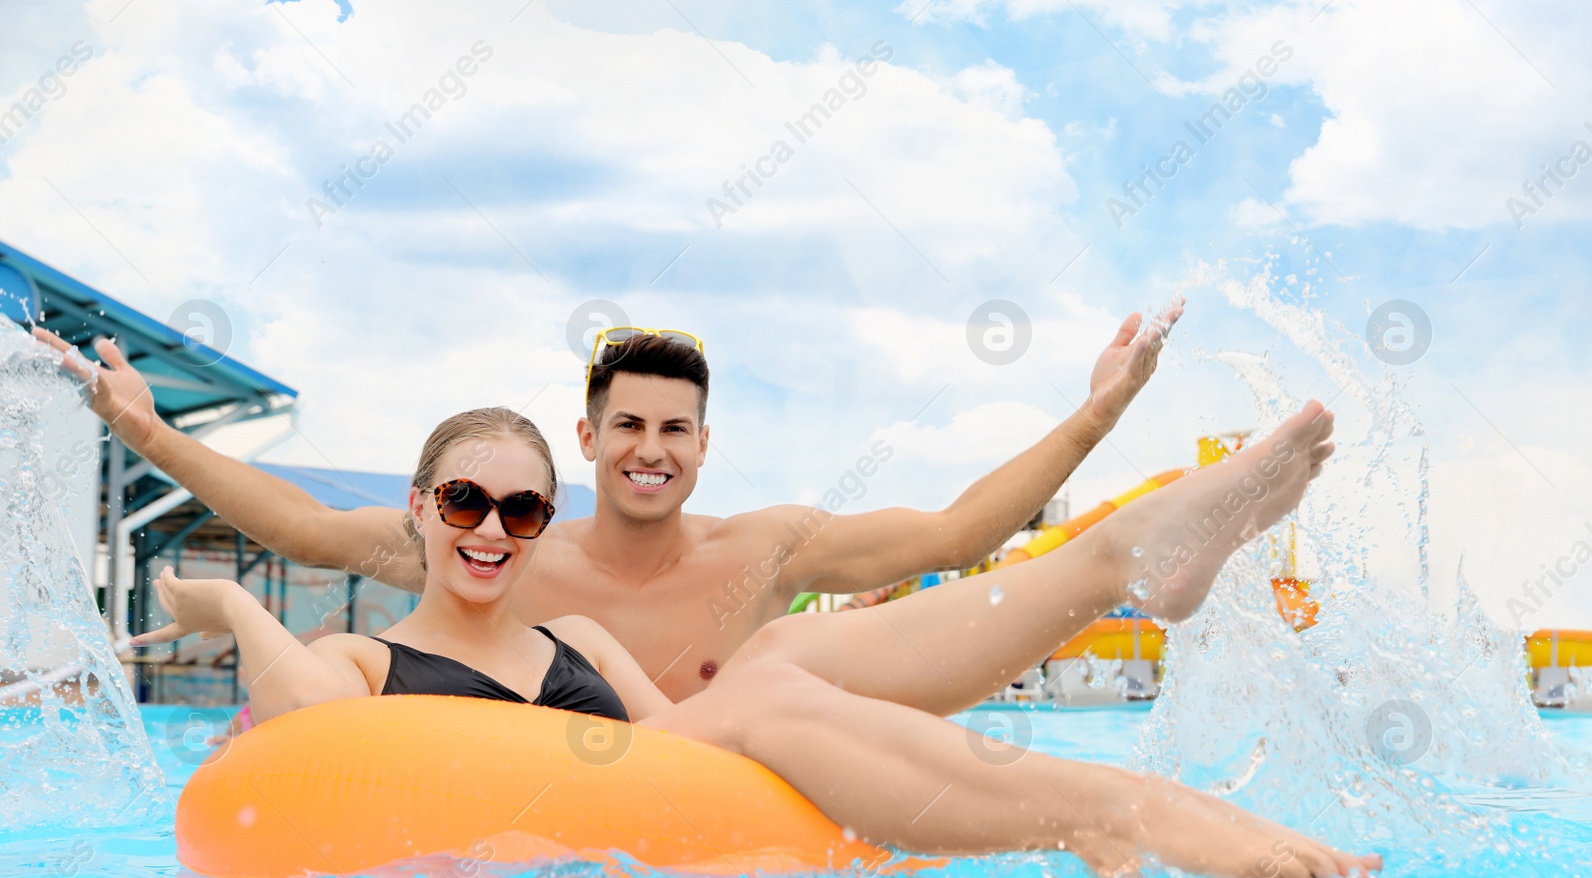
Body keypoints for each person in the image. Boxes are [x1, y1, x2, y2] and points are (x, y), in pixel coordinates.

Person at [134, 404, 1380, 878]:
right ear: (418, 511)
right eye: (463, 503)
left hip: (686, 818)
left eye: (522, 509)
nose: (492, 530)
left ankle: (1120, 564)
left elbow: (669, 742)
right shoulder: (364, 666)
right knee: (777, 672)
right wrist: (232, 606)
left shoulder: (571, 635)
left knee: (777, 657)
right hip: (553, 856)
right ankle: (1123, 790)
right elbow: (298, 730)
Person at [39, 303, 1181, 701]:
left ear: (701, 443)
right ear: (586, 437)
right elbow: (291, 522)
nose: (650, 449)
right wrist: (147, 432)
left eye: (673, 428)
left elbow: (955, 534)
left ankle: (1128, 561)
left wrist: (1093, 417)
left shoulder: (769, 547)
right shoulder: (502, 543)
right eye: (627, 425)